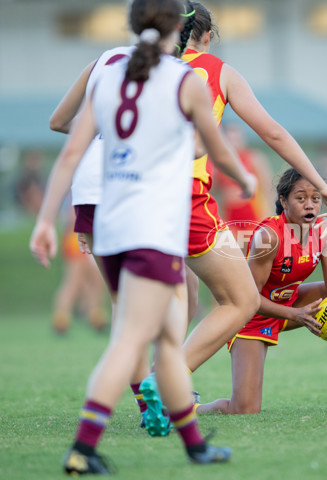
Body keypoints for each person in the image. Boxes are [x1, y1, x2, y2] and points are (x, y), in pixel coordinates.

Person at [30, 0, 256, 473]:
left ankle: (195, 445)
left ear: (132, 26)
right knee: (131, 339)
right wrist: (247, 180)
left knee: (168, 339)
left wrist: (45, 221)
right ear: (180, 28)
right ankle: (83, 450)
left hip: (108, 219)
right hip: (150, 223)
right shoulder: (182, 81)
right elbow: (213, 147)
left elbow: (71, 152)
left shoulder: (109, 76)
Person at [171, 2, 327, 385]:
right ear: (207, 37)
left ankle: (151, 390)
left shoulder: (132, 67)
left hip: (125, 198)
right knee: (241, 299)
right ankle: (167, 383)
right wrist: (320, 184)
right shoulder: (216, 71)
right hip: (182, 197)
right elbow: (272, 133)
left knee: (170, 297)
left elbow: (66, 123)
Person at [48, 4, 199, 437]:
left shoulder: (106, 62)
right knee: (166, 314)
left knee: (125, 310)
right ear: (180, 29)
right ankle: (167, 409)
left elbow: (59, 122)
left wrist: (102, 131)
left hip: (90, 194)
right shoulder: (174, 72)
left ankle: (150, 404)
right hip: (136, 195)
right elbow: (202, 147)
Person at [197, 169, 327, 414]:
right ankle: (189, 408)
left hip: (292, 303)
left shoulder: (324, 231)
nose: (310, 205)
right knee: (244, 410)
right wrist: (295, 315)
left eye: (315, 198)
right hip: (253, 315)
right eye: (300, 198)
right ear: (283, 201)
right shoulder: (269, 236)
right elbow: (247, 299)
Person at [212, 122, 274, 250]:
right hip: (230, 217)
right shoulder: (219, 164)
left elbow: (268, 187)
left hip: (253, 214)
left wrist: (269, 216)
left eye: (236, 137)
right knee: (233, 255)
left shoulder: (254, 158)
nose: (233, 141)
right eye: (229, 138)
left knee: (257, 253)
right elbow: (213, 190)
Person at [52, 205, 107, 334]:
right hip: (77, 235)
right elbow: (73, 215)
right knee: (74, 280)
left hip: (91, 233)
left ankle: (95, 315)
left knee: (96, 280)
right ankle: (61, 318)